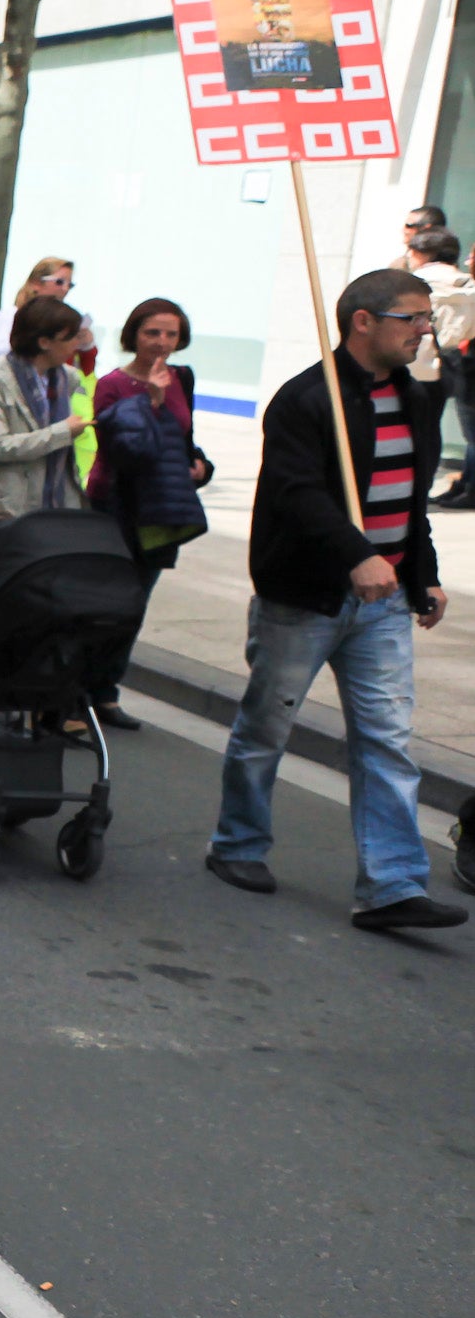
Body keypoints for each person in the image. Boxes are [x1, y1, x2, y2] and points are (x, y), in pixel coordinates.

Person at [205, 268, 465, 932]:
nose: (424, 330)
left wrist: (422, 574)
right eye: (412, 317)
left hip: (382, 604)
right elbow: (298, 495)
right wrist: (356, 555)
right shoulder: (303, 399)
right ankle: (235, 844)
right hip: (302, 597)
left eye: (425, 318)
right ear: (363, 321)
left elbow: (409, 503)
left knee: (385, 741)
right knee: (266, 728)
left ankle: (390, 886)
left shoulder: (415, 399)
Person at [85, 296, 212, 729]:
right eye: (152, 332)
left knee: (136, 603)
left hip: (159, 507)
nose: (161, 343)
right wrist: (152, 402)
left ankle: (106, 692)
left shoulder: (182, 378)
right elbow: (122, 451)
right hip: (116, 504)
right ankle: (80, 692)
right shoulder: (114, 384)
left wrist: (199, 465)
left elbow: (183, 436)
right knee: (107, 601)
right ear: (133, 335)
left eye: (171, 334)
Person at [0, 296, 95, 531]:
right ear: (44, 342)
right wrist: (62, 433)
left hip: (57, 504)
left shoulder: (68, 377)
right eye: (70, 337)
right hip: (6, 506)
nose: (76, 343)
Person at [401, 226, 475, 509]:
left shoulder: (410, 283)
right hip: (448, 366)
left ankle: (402, 488)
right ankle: (422, 488)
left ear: (420, 253)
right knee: (430, 430)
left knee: (401, 427)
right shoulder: (468, 285)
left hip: (411, 365)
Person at [0, 255, 96, 370]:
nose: (65, 289)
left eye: (69, 285)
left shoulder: (65, 323)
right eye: (59, 282)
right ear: (36, 283)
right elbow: (1, 355)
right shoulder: (10, 315)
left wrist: (86, 344)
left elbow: (84, 372)